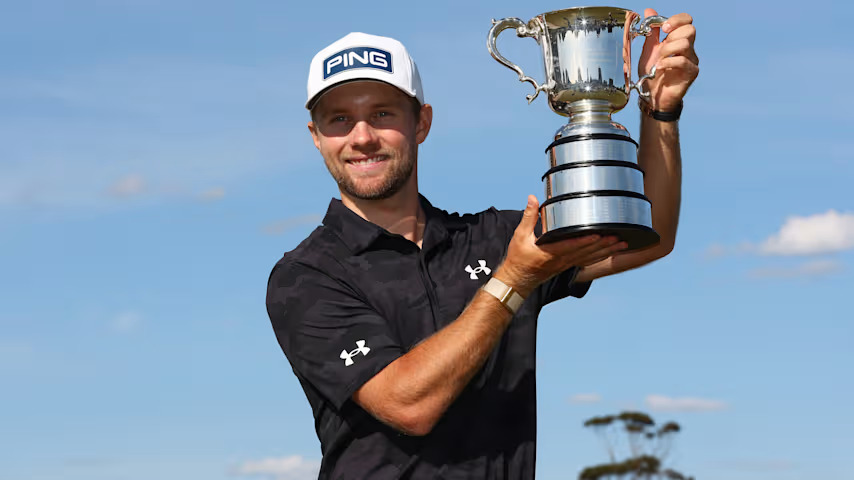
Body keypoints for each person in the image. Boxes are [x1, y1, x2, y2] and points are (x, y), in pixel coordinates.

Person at [267, 10, 698, 479]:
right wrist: (513, 280)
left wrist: (659, 111)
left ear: (421, 124)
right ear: (316, 137)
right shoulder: (305, 276)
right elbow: (409, 403)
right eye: (340, 120)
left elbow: (646, 236)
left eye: (383, 114)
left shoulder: (496, 240)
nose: (362, 137)